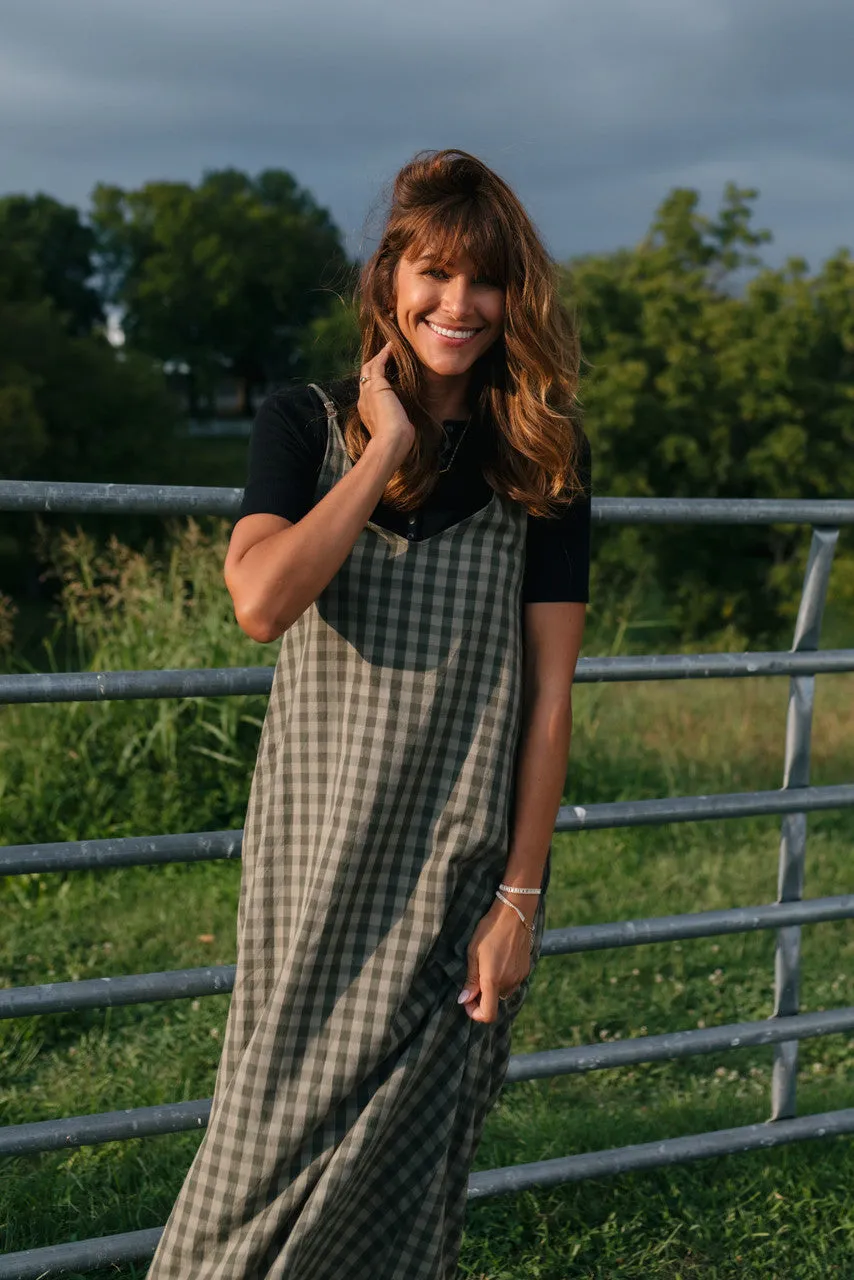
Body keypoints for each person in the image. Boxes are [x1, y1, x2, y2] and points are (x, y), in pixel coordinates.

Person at [147, 148, 590, 1280]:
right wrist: (386, 443)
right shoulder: (303, 426)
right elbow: (259, 600)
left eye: (483, 281)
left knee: (401, 1193)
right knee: (248, 1167)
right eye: (433, 275)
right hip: (313, 864)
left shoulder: (540, 457)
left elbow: (547, 702)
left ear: (514, 295)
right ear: (390, 276)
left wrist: (518, 903)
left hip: (454, 875)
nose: (457, 305)